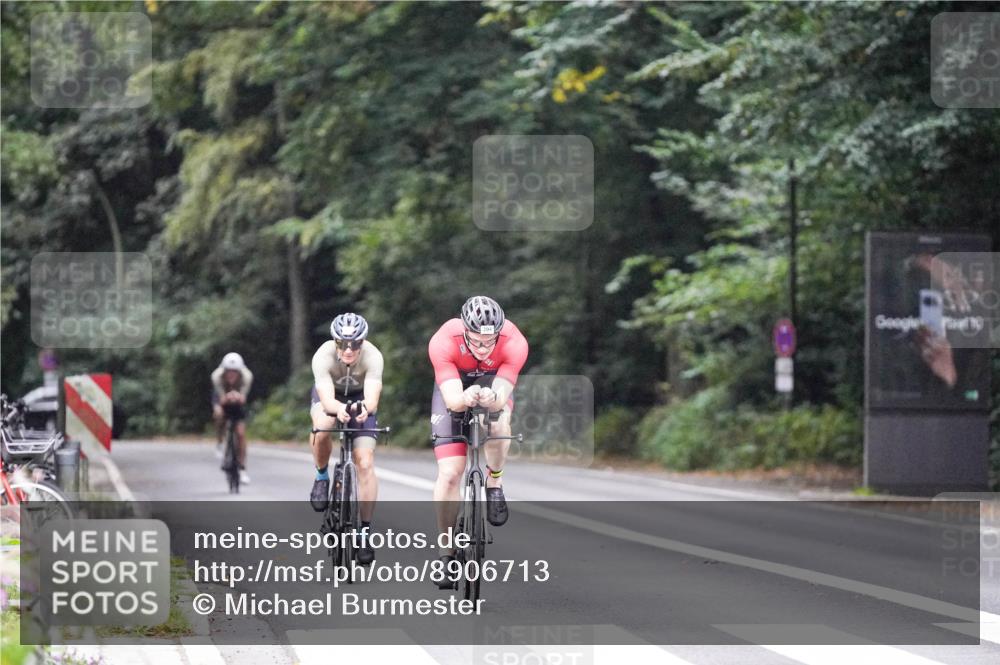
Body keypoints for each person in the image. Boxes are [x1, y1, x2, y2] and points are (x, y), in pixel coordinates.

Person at [427, 296, 528, 580]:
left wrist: (491, 397)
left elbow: (501, 395)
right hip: (454, 388)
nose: (484, 349)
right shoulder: (444, 340)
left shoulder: (514, 342)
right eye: (476, 342)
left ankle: (494, 480)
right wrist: (464, 397)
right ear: (464, 331)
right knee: (449, 474)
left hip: (492, 385)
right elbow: (452, 399)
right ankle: (445, 555)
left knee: (498, 423)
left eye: (490, 342)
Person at [309, 313, 384, 565]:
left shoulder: (373, 356)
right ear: (335, 341)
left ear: (363, 342)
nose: (349, 349)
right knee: (323, 425)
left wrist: (366, 409)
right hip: (330, 396)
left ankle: (364, 531)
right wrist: (336, 409)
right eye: (343, 343)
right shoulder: (323, 356)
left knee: (364, 461)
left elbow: (372, 397)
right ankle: (321, 476)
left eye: (355, 344)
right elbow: (326, 397)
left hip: (360, 397)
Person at [211, 352, 253, 484]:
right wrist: (226, 398)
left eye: (234, 372)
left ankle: (242, 468)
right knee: (219, 414)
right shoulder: (216, 377)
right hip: (222, 396)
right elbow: (220, 398)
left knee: (241, 434)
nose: (231, 375)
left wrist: (238, 396)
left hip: (238, 400)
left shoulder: (247, 377)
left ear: (239, 372)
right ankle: (220, 441)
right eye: (228, 372)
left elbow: (243, 398)